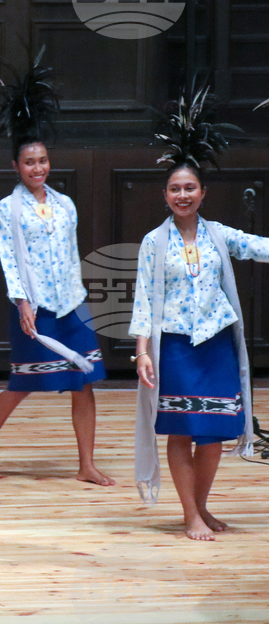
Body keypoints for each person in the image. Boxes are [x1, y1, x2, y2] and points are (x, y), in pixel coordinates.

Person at [0, 53, 112, 485]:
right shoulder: (7, 207)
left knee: (84, 382)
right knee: (22, 384)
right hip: (34, 305)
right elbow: (9, 257)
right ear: (16, 166)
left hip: (72, 302)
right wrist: (22, 302)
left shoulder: (65, 203)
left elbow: (70, 254)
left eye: (43, 161)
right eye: (29, 162)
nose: (38, 168)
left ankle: (86, 463)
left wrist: (81, 299)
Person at [131, 90, 267, 541]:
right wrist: (143, 352)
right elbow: (144, 298)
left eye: (190, 188)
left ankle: (202, 506)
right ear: (165, 194)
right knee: (182, 431)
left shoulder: (220, 235)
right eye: (175, 188)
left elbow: (258, 246)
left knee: (215, 433)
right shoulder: (154, 241)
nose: (182, 194)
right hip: (174, 347)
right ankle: (189, 513)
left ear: (203, 193)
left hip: (216, 346)